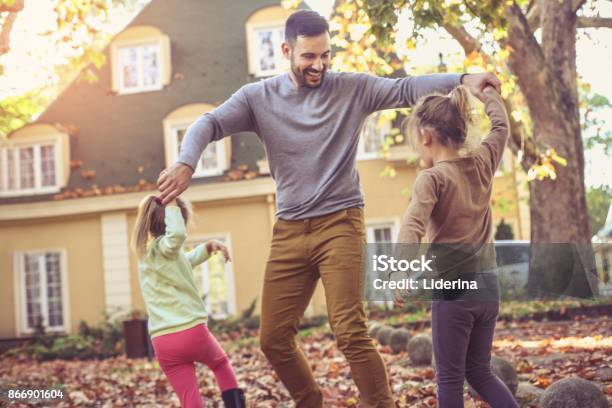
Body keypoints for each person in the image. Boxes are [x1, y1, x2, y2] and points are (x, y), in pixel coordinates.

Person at [156, 9, 501, 407]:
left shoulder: (351, 89)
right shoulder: (258, 98)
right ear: (286, 51)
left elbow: (406, 88)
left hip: (340, 222)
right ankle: (310, 401)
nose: (318, 65)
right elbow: (208, 123)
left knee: (350, 330)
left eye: (325, 55)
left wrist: (463, 79)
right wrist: (186, 162)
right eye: (307, 57)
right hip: (289, 229)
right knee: (273, 338)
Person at [392, 85, 519, 407]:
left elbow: (413, 224)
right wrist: (488, 92)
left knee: (449, 379)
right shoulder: (483, 161)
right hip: (488, 287)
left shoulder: (432, 178)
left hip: (454, 292)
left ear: (425, 136)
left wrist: (399, 271)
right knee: (479, 371)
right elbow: (501, 126)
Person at [131, 195, 245, 408]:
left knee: (189, 396)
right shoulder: (168, 246)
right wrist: (172, 202)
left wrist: (208, 247)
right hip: (190, 330)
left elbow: (186, 261)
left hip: (162, 341)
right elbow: (176, 237)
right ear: (175, 221)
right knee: (220, 364)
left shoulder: (147, 255)